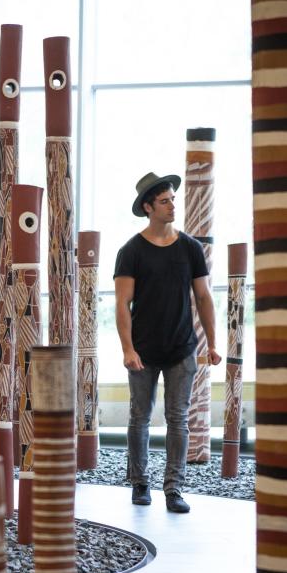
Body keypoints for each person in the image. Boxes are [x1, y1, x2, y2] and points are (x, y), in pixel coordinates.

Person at [114, 172, 221, 513]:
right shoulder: (130, 251)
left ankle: (174, 489)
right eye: (165, 201)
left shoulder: (190, 248)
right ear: (148, 207)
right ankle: (140, 483)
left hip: (181, 349)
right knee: (139, 417)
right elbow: (122, 304)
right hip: (143, 351)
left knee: (178, 419)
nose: (173, 205)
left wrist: (213, 344)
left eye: (173, 199)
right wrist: (127, 349)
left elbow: (203, 297)